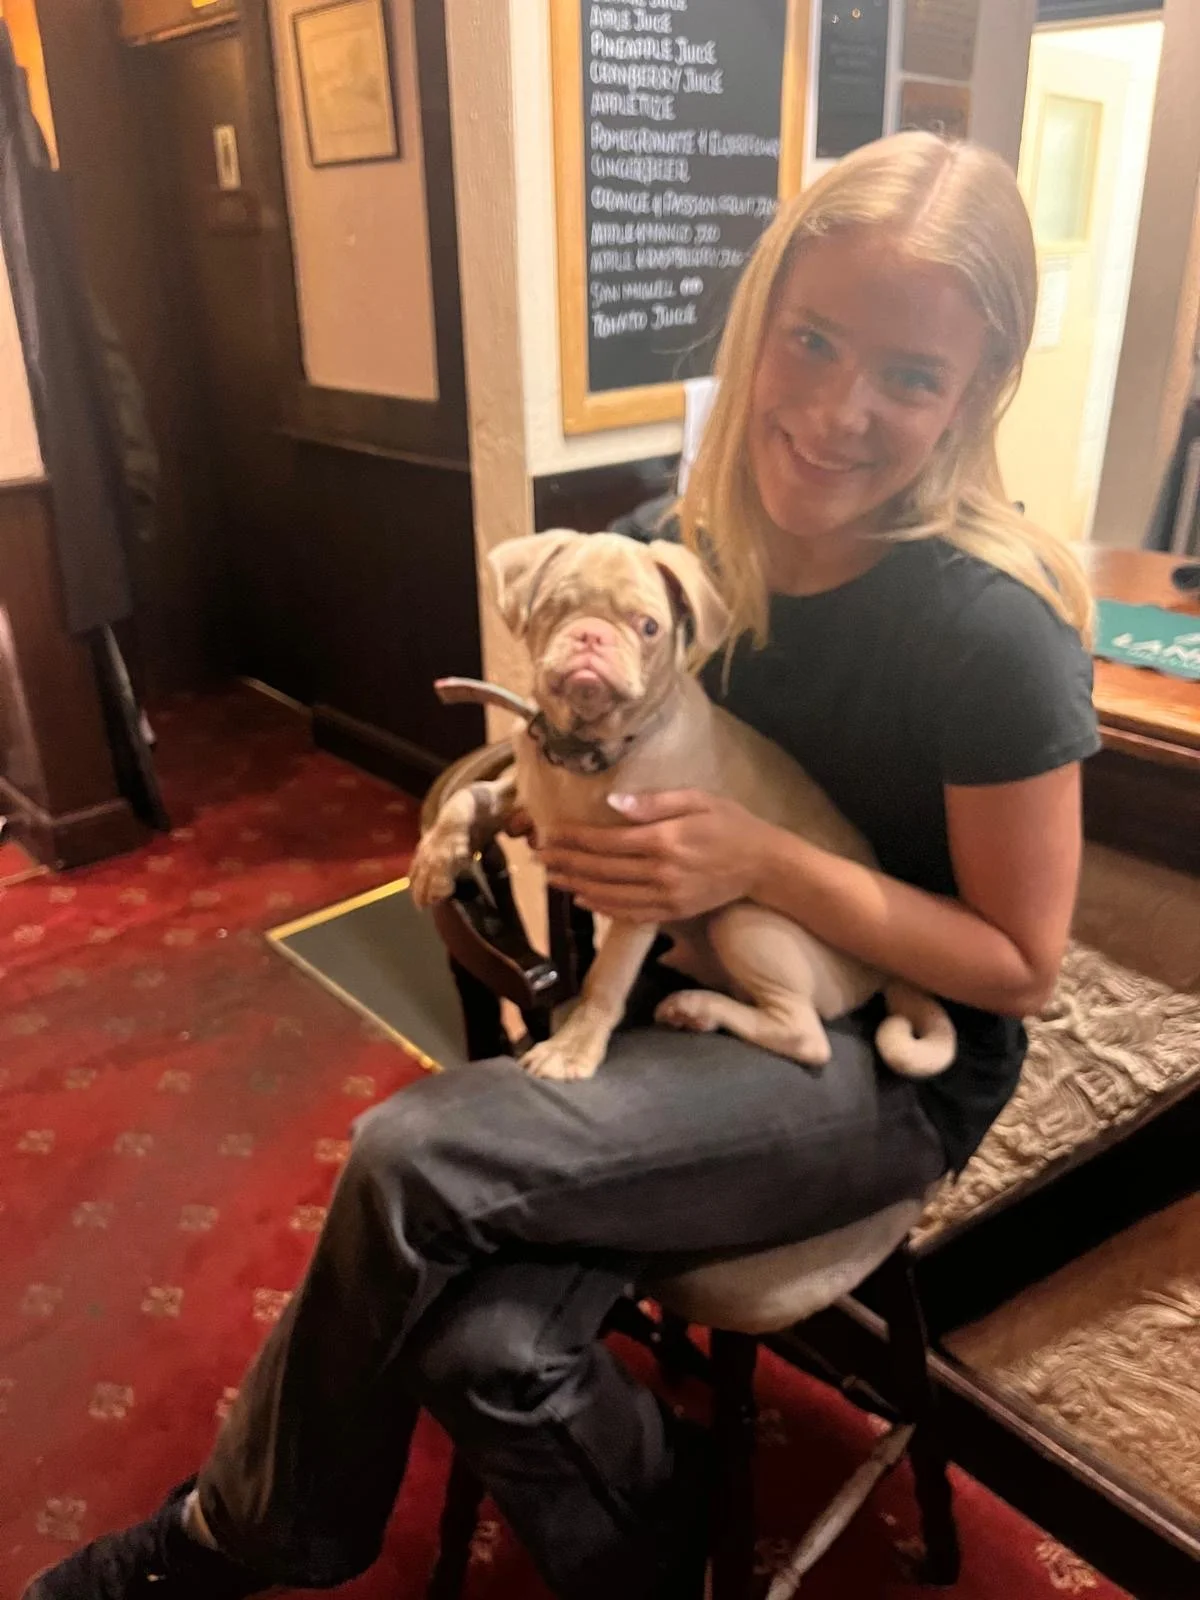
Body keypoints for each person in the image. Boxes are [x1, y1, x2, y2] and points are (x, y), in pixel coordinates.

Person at [26, 131, 1099, 1600]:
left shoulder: (993, 631)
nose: (842, 410)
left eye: (912, 377)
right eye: (815, 340)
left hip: (888, 1064)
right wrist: (472, 795)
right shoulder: (670, 547)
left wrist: (758, 861)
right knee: (489, 1344)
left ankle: (233, 1540)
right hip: (682, 1001)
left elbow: (1021, 969)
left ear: (976, 395)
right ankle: (659, 1526)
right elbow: (557, 747)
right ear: (761, 325)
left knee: (414, 1150)